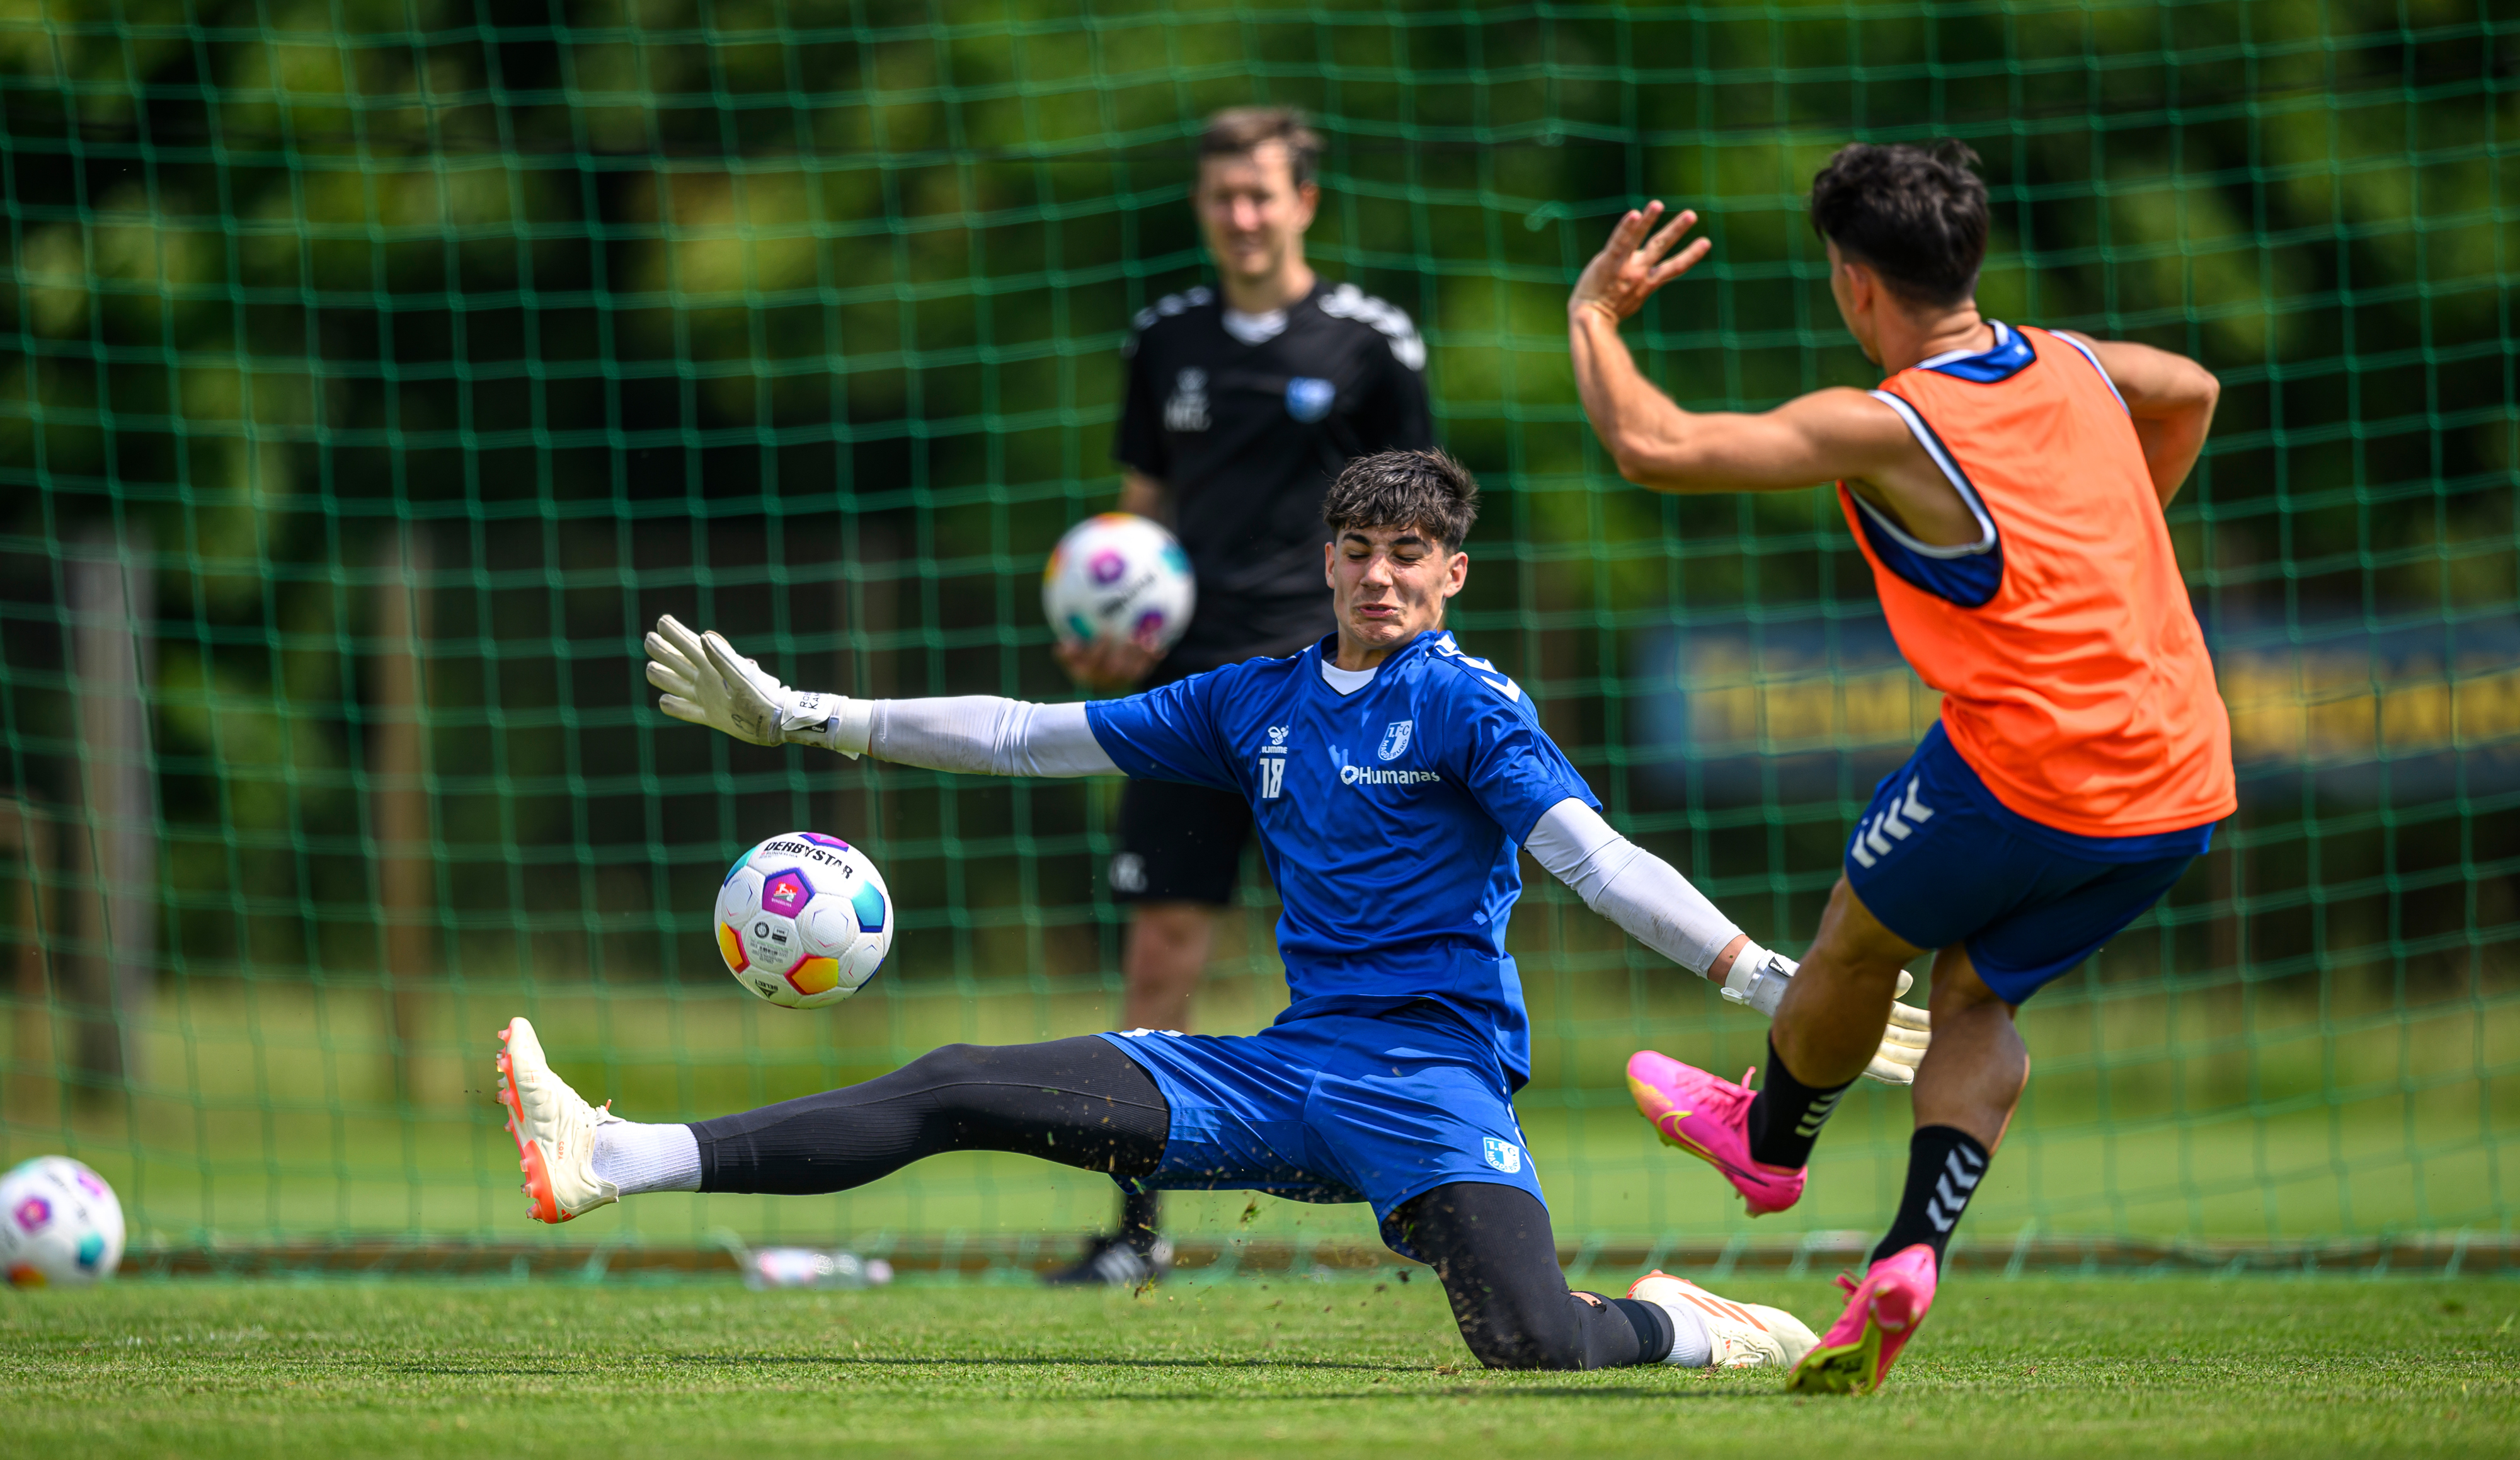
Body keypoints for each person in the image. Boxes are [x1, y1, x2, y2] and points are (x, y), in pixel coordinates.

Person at [501, 449, 1928, 1373]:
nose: (1380, 572)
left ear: (1451, 576)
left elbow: (1592, 858)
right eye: (1358, 546)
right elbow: (1020, 734)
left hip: (1430, 1078)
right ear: (1326, 560)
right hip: (1279, 1072)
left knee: (1532, 1341)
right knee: (956, 1083)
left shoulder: (1468, 702)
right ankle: (618, 1152)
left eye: (1408, 552)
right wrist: (813, 717)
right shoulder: (1252, 697)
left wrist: (1762, 980)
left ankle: (1701, 1326)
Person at [1564, 141, 2233, 1393]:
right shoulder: (2077, 363)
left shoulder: (1888, 424)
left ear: (1854, 285)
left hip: (2026, 771)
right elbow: (2188, 387)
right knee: (1975, 996)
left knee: (1853, 940)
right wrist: (2111, 547)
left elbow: (1652, 445)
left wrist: (1593, 314)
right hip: (2180, 781)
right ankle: (1911, 1249)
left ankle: (1766, 1141)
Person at [1050, 106, 1435, 1284]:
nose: (1244, 216)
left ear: (1304, 199)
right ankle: (1138, 1233)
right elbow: (1139, 516)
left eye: (1263, 193)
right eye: (1224, 195)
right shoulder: (1164, 339)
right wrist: (1104, 629)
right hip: (1188, 700)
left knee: (1370, 944)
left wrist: (1418, 677)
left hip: (1330, 693)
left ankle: (1439, 1201)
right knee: (1162, 950)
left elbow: (1420, 529)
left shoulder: (1373, 343)